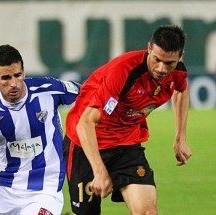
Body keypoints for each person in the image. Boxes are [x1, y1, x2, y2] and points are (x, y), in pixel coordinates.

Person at [63, 25, 192, 215]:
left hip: (126, 145)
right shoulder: (123, 72)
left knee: (148, 212)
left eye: (169, 63)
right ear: (149, 48)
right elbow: (86, 123)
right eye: (157, 60)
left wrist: (180, 137)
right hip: (87, 144)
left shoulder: (178, 72)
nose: (162, 69)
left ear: (180, 56)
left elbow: (181, 90)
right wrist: (99, 171)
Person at [0, 44, 80, 215]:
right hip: (0, 185)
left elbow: (88, 92)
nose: (13, 84)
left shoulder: (48, 89)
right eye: (6, 78)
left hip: (44, 188)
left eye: (17, 75)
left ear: (24, 72)